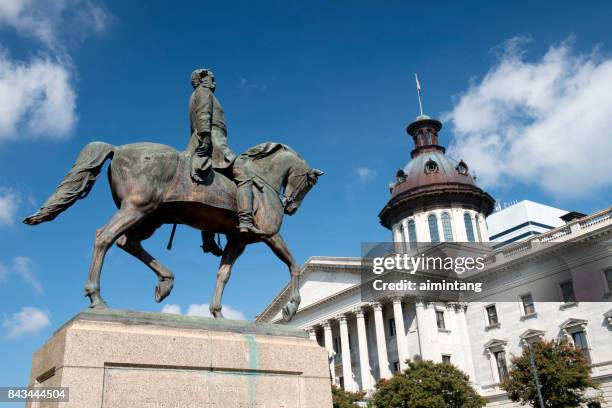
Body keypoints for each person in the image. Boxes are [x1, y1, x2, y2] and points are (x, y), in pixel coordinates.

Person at [187, 68, 236, 255]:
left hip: (205, 138)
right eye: (211, 78)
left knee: (211, 190)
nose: (214, 82)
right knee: (244, 168)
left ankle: (208, 239)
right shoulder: (203, 91)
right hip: (214, 139)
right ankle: (247, 219)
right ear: (202, 79)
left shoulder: (195, 95)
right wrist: (207, 138)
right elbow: (203, 115)